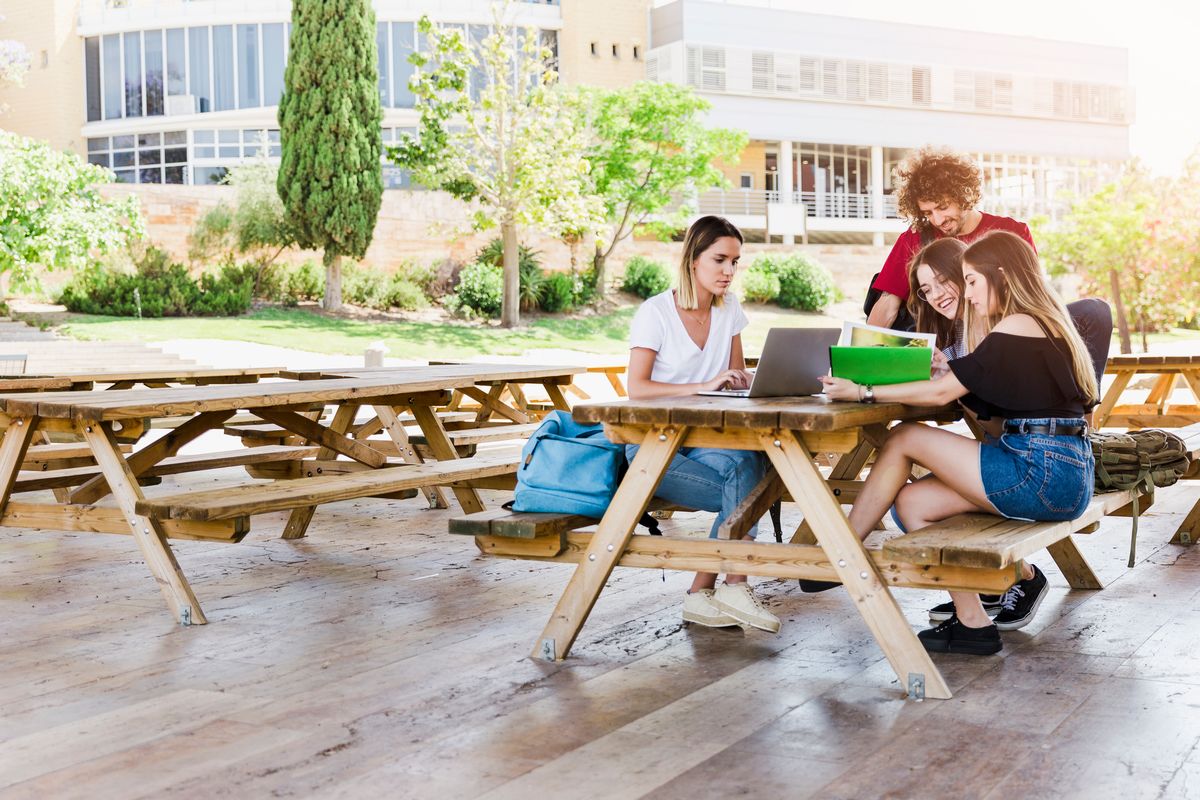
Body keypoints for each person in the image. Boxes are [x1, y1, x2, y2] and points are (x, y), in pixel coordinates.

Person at [822, 230, 1099, 655]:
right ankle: (973, 624)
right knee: (914, 503)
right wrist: (947, 372)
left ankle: (840, 553)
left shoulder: (1018, 323)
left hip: (1041, 471)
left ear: (1001, 275)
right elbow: (968, 391)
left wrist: (863, 393)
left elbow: (938, 394)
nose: (967, 294)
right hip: (1055, 470)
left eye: (971, 280)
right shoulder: (1033, 322)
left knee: (905, 436)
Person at [625, 215, 779, 634]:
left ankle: (712, 589)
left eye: (735, 262)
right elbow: (636, 387)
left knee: (751, 464)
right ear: (693, 259)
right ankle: (725, 584)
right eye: (720, 260)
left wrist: (745, 379)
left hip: (709, 442)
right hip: (654, 449)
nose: (729, 271)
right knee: (751, 482)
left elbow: (733, 374)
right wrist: (702, 384)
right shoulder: (655, 312)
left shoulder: (730, 311)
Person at [866, 146, 1035, 331]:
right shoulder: (915, 239)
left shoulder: (1011, 232)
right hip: (942, 347)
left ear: (964, 195)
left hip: (1000, 339)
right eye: (928, 212)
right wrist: (864, 352)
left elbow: (1030, 297)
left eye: (943, 207)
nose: (938, 220)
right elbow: (888, 305)